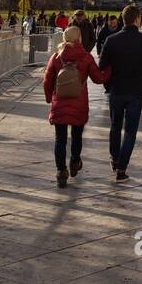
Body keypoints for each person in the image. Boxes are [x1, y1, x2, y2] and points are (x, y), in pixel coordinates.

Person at [43, 25, 109, 187]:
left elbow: (47, 80)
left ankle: (61, 171)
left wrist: (48, 98)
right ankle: (74, 162)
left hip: (59, 102)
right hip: (79, 103)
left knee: (60, 139)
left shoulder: (57, 57)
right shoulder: (86, 57)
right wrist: (109, 70)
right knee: (77, 136)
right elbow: (98, 79)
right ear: (79, 38)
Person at [98, 4, 142, 182]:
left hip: (116, 89)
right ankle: (122, 168)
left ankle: (114, 157)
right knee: (130, 131)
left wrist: (108, 85)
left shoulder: (112, 40)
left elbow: (102, 66)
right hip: (136, 90)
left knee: (115, 126)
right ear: (137, 19)